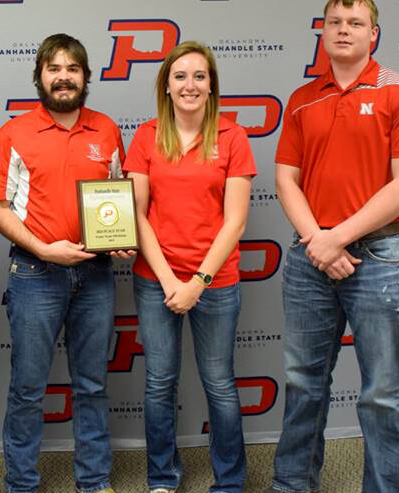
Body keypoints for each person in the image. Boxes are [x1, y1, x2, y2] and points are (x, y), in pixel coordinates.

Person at [267, 0, 399, 493]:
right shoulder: (303, 98)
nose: (343, 29)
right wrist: (319, 241)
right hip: (309, 260)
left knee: (384, 393)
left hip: (380, 259)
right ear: (321, 30)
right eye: (334, 21)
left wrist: (335, 238)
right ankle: (293, 485)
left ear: (372, 34)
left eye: (355, 22)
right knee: (302, 385)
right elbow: (285, 179)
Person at [0, 33, 130, 493]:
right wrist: (44, 249)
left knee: (92, 385)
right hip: (35, 273)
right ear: (40, 76)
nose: (63, 77)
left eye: (73, 68)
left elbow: (116, 199)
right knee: (28, 389)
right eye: (54, 68)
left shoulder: (107, 130)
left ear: (86, 77)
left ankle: (94, 481)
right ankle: (21, 484)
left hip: (95, 274)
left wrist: (121, 241)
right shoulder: (13, 133)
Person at [124, 41, 255, 493]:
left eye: (199, 76)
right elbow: (137, 214)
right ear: (166, 86)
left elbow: (235, 219)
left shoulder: (233, 138)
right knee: (159, 383)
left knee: (219, 383)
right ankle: (162, 478)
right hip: (155, 281)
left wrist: (197, 282)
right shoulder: (145, 137)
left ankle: (231, 481)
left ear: (212, 85)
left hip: (215, 282)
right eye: (180, 76)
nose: (190, 85)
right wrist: (168, 280)